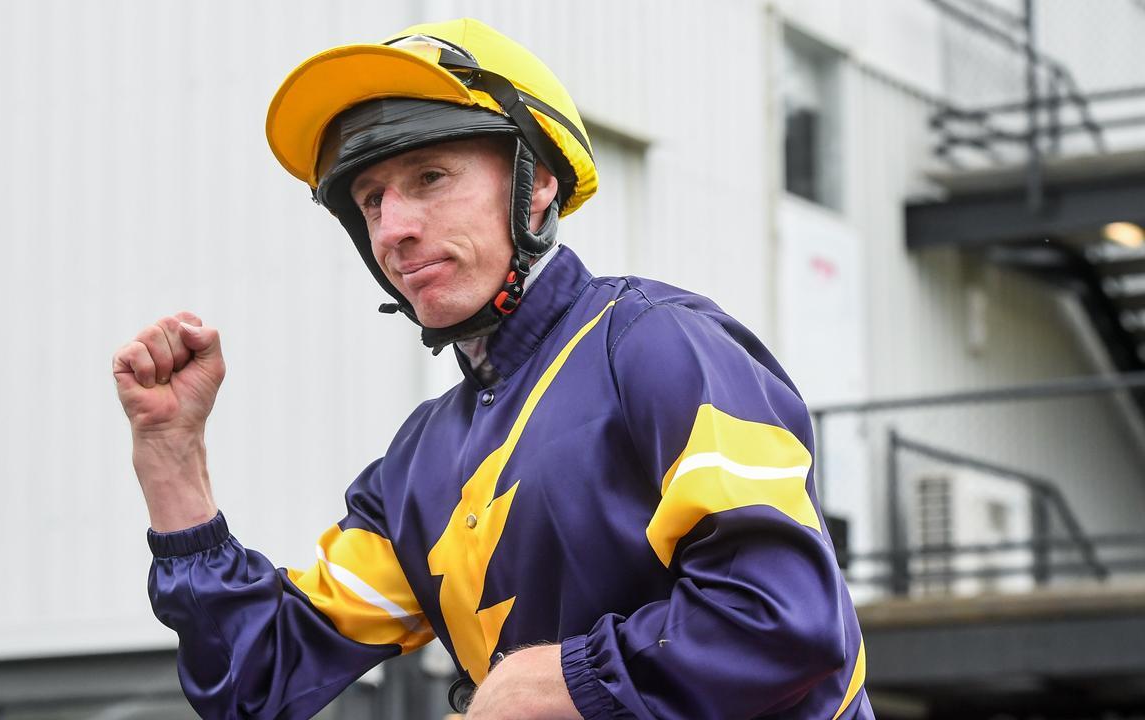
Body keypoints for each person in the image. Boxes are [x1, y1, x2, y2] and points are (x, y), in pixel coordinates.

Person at [112, 18, 873, 720]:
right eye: (371, 201)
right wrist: (171, 456)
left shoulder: (659, 346)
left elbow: (785, 619)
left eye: (429, 178)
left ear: (537, 180)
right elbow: (255, 681)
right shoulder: (417, 468)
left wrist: (555, 681)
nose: (396, 230)